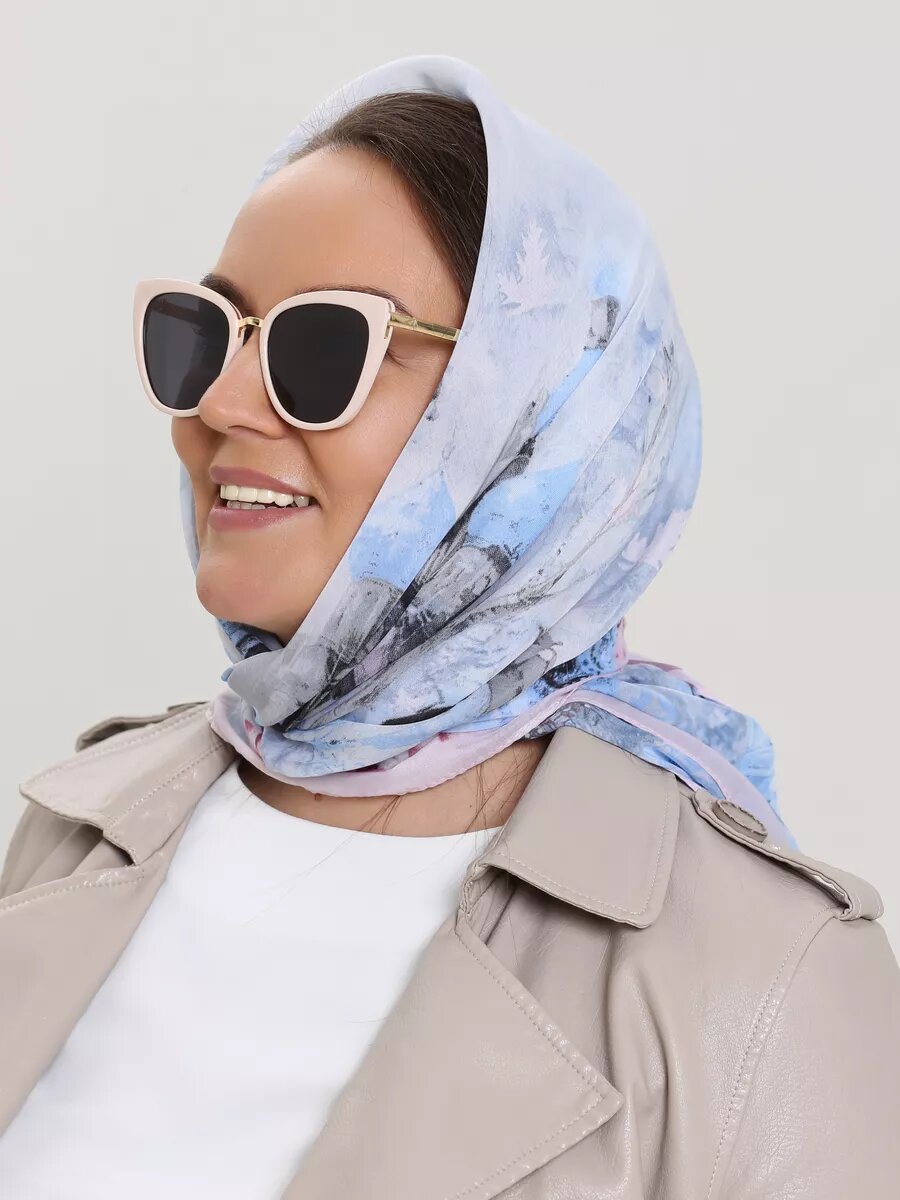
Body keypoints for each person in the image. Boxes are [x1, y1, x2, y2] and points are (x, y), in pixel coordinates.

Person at [0, 52, 897, 1200]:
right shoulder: (74, 836)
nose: (218, 403)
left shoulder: (767, 978)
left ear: (538, 422)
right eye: (209, 332)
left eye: (322, 348)